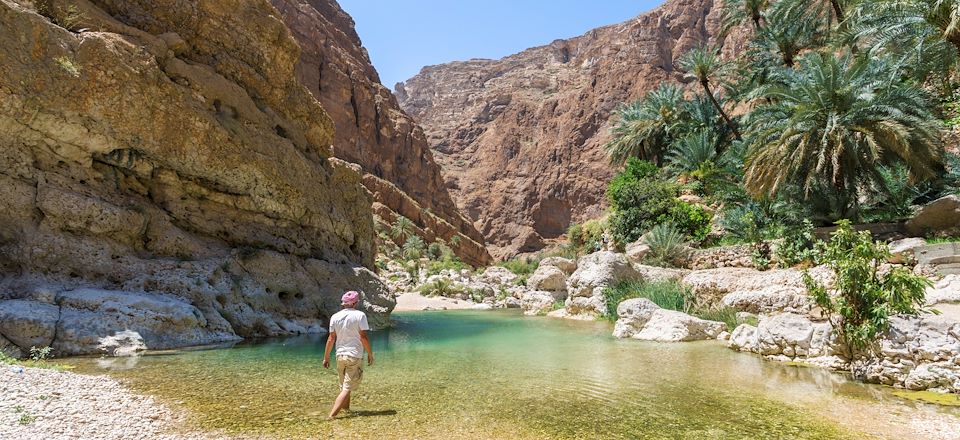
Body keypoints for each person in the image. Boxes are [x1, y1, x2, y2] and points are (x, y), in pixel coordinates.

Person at [322, 291, 374, 420]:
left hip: (340, 355)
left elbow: (331, 338)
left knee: (344, 386)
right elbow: (363, 336)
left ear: (343, 303)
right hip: (354, 355)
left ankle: (346, 410)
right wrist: (370, 354)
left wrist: (326, 357)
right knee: (346, 388)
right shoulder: (360, 315)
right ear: (355, 303)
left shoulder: (335, 316)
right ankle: (332, 416)